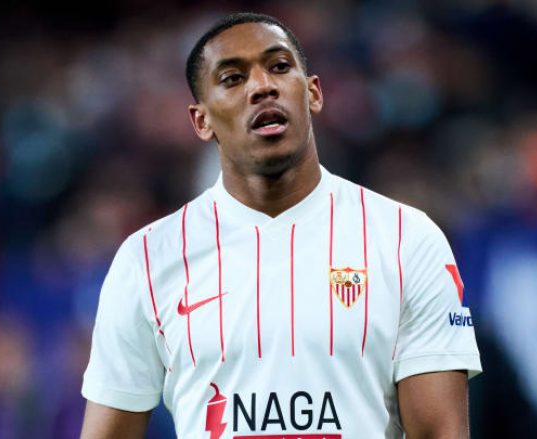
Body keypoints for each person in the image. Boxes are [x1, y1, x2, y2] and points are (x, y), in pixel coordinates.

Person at [80, 12, 481, 438]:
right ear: (202, 121)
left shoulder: (406, 238)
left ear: (313, 93)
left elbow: (441, 432)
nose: (262, 86)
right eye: (233, 78)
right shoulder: (146, 258)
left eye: (279, 66)